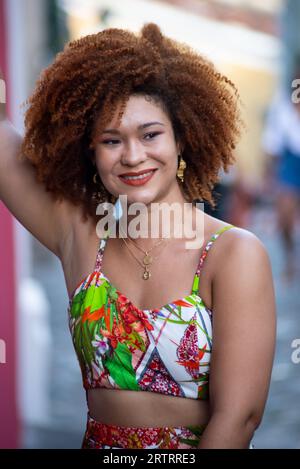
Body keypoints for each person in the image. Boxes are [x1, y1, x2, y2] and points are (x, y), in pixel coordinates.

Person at [0, 23, 276, 449]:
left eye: (150, 134)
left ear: (182, 137)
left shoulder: (232, 253)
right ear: (89, 150)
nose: (132, 156)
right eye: (111, 140)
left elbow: (239, 418)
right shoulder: (80, 234)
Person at [261, 60, 300, 282]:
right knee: (284, 215)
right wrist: (269, 175)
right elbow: (272, 144)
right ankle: (290, 257)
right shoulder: (283, 106)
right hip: (291, 164)